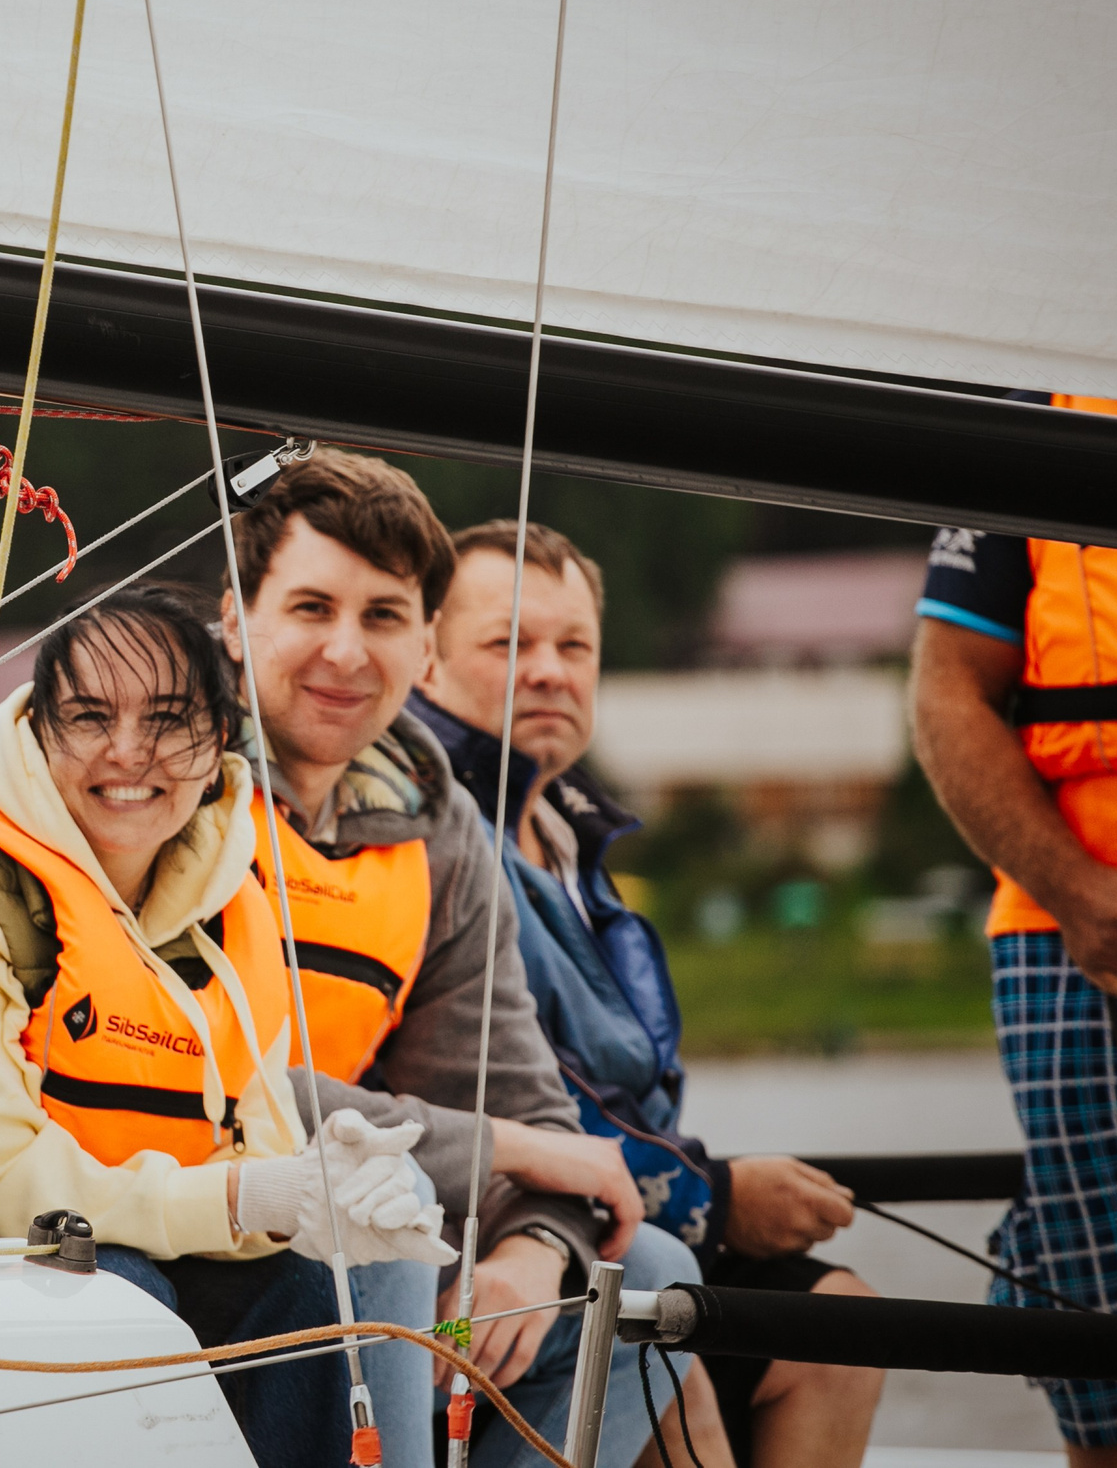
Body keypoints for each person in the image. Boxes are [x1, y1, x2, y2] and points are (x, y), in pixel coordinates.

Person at [0, 583, 458, 1468]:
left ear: (218, 745)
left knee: (312, 1289)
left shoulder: (233, 899)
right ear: (37, 730)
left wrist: (319, 1185)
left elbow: (257, 1136)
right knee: (122, 1295)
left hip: (161, 1244)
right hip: (3, 1268)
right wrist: (243, 1199)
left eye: (170, 720)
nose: (129, 752)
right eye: (89, 716)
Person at [216, 449, 689, 1468]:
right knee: (383, 1234)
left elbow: (529, 1105)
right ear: (234, 618)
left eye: (383, 615)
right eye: (311, 607)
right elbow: (207, 1090)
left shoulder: (436, 825)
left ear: (422, 642)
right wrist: (509, 1152)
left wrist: (533, 1249)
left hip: (362, 1209)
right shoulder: (165, 779)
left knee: (642, 1274)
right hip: (196, 1221)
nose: (346, 650)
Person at [414, 519, 885, 1468]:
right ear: (424, 656)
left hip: (624, 1211)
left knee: (840, 1329)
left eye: (574, 645)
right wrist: (717, 1195)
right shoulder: (433, 828)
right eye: (509, 642)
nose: (550, 671)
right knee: (661, 1344)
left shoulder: (571, 833)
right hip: (489, 1232)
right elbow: (527, 1086)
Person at [909, 392, 1117, 1468]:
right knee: (1110, 1344)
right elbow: (945, 692)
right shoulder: (1037, 413)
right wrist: (1072, 888)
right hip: (1081, 943)